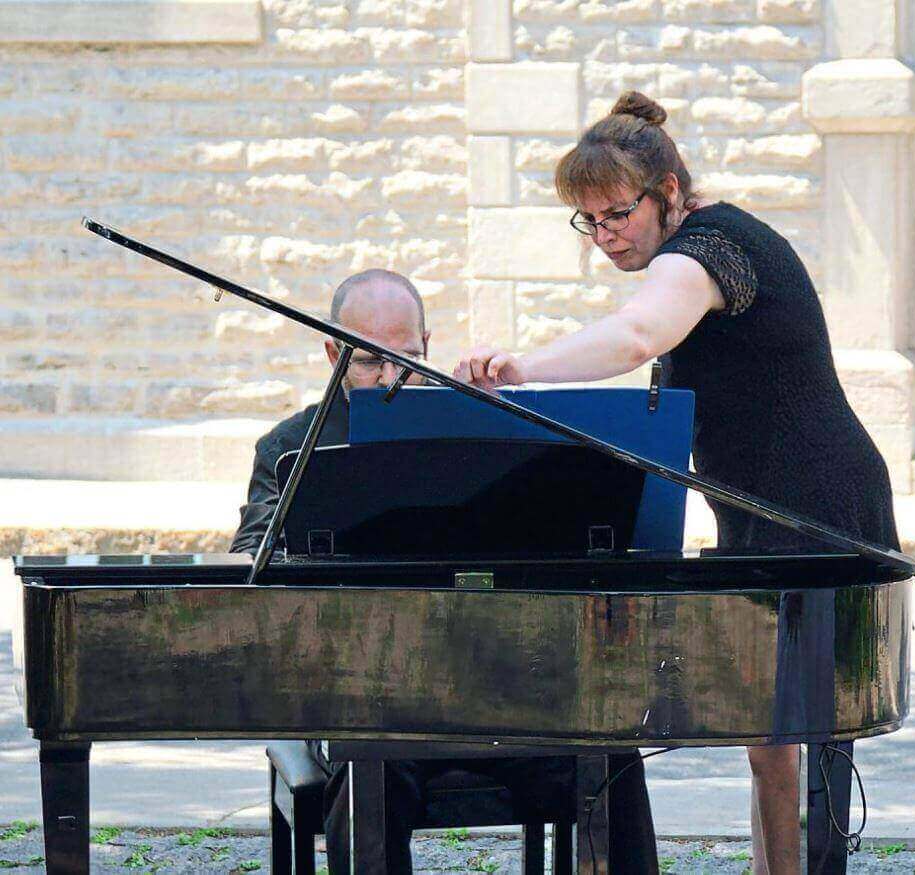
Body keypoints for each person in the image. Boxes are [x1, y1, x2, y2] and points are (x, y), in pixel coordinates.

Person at [454, 91, 901, 874]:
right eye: (588, 221)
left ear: (667, 194)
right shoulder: (697, 242)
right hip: (758, 510)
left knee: (798, 728)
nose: (604, 235)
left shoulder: (711, 244)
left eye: (617, 213)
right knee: (765, 737)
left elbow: (638, 333)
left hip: (820, 504)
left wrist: (521, 371)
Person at [231, 268, 659, 874]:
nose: (388, 378)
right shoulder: (291, 443)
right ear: (332, 352)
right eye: (367, 361)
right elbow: (252, 556)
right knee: (367, 766)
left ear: (426, 347)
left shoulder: (469, 425)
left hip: (497, 687)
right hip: (375, 699)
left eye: (404, 358)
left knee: (610, 753)